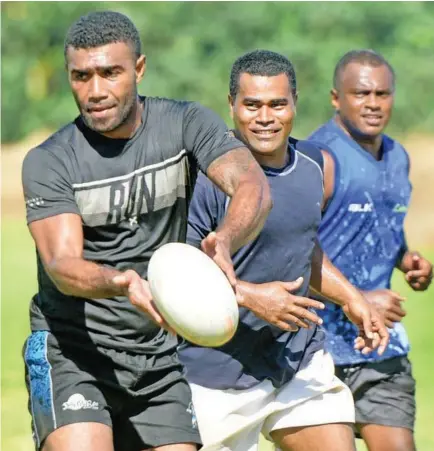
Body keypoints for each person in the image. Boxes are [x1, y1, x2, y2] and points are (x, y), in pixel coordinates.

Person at [21, 11, 273, 451]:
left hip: (156, 356)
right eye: (81, 76)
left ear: (138, 68)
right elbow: (62, 266)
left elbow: (251, 184)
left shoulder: (184, 124)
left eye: (110, 73)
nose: (95, 90)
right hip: (72, 352)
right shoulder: (50, 160)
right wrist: (122, 282)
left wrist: (226, 239)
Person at [179, 49, 389, 451]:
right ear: (231, 105)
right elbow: (181, 275)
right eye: (252, 105)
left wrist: (351, 299)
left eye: (277, 104)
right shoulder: (202, 179)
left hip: (297, 360)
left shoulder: (316, 165)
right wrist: (251, 297)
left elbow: (303, 245)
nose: (264, 117)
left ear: (295, 102)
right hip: (217, 374)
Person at [308, 49, 434, 451]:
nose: (374, 104)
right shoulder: (318, 157)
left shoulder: (398, 157)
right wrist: (357, 298)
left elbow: (382, 228)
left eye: (383, 93)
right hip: (317, 350)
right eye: (361, 94)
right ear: (336, 98)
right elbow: (291, 249)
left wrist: (407, 260)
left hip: (381, 346)